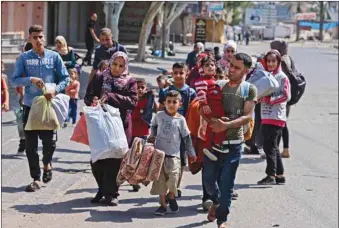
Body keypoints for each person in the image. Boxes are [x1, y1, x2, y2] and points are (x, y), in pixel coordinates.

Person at [11, 24, 70, 192]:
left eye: (40, 37)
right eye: (35, 37)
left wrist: (55, 90)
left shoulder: (54, 57)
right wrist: (30, 80)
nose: (38, 40)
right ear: (30, 38)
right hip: (30, 105)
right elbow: (14, 80)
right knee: (30, 146)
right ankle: (36, 178)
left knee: (49, 143)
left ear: (44, 38)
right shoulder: (23, 58)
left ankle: (47, 164)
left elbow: (65, 79)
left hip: (49, 106)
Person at [202, 53, 257, 228]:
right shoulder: (218, 86)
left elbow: (247, 116)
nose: (231, 69)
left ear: (246, 71)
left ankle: (222, 219)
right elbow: (205, 110)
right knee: (208, 181)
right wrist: (210, 119)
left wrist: (226, 125)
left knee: (227, 183)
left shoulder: (249, 89)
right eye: (231, 65)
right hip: (214, 144)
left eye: (237, 67)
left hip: (234, 145)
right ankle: (216, 202)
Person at [84, 51, 137, 206]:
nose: (116, 68)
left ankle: (111, 193)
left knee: (116, 160)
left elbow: (133, 101)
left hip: (121, 124)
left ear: (125, 66)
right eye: (114, 64)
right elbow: (88, 95)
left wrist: (112, 97)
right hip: (101, 124)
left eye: (121, 66)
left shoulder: (130, 81)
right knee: (98, 159)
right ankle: (102, 189)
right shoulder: (100, 77)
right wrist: (93, 100)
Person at [149, 90, 197, 216]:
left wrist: (191, 153)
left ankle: (171, 195)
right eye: (168, 102)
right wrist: (152, 136)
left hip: (174, 156)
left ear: (179, 104)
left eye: (174, 102)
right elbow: (153, 126)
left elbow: (186, 138)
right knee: (160, 182)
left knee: (173, 180)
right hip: (159, 156)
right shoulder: (159, 116)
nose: (171, 104)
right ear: (164, 103)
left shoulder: (181, 120)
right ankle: (163, 205)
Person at [158, 62, 197, 198]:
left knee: (180, 160)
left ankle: (176, 187)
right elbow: (160, 110)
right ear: (172, 74)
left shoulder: (191, 92)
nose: (178, 75)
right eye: (176, 73)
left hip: (183, 132)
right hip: (166, 131)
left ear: (187, 74)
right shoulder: (165, 92)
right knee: (166, 159)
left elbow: (193, 112)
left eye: (182, 73)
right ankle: (166, 186)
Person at [257, 49, 290, 185]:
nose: (270, 64)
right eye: (268, 61)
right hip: (266, 115)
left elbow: (285, 95)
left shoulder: (282, 77)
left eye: (273, 61)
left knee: (268, 146)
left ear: (278, 62)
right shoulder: (267, 76)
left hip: (276, 116)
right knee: (273, 146)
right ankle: (280, 175)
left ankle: (270, 175)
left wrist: (269, 99)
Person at [130, 77, 158, 192]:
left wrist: (154, 98)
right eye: (137, 87)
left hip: (142, 133)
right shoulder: (131, 99)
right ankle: (132, 179)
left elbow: (156, 109)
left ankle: (136, 178)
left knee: (141, 156)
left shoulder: (148, 100)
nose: (140, 90)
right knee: (131, 157)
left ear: (146, 89)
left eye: (142, 87)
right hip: (130, 132)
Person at [270, 40, 292, 158]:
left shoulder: (282, 61)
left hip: (282, 96)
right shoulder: (287, 58)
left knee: (280, 124)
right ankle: (283, 149)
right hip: (285, 96)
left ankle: (277, 149)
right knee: (282, 123)